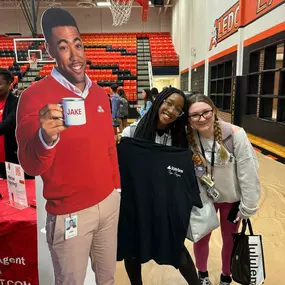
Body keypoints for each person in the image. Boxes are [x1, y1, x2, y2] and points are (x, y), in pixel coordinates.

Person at [16, 8, 121, 285]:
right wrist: (45, 138)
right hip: (69, 213)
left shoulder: (99, 93)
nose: (75, 56)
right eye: (63, 47)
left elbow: (109, 147)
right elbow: (29, 165)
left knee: (107, 279)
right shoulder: (33, 96)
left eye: (77, 44)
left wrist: (116, 190)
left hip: (109, 204)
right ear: (51, 50)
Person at [119, 87, 201, 285]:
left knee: (176, 247)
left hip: (166, 203)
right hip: (136, 201)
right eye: (169, 103)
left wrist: (196, 163)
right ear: (159, 101)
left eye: (178, 109)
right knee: (133, 247)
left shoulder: (179, 139)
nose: (171, 110)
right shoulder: (132, 133)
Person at [187, 94, 261, 285]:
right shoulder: (187, 138)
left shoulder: (235, 134)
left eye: (206, 112)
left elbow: (248, 171)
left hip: (231, 199)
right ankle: (202, 275)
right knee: (201, 238)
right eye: (195, 115)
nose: (201, 118)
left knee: (230, 239)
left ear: (214, 111)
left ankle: (226, 275)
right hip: (204, 199)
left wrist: (248, 205)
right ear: (188, 119)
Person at [0, 68, 19, 178]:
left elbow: (7, 126)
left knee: (14, 193)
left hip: (10, 158)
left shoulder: (17, 103)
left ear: (9, 84)